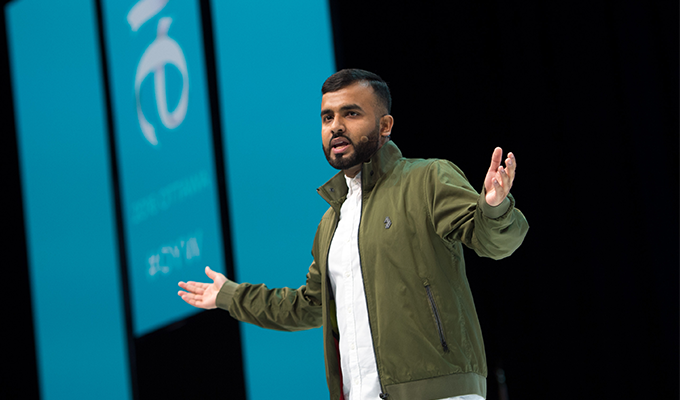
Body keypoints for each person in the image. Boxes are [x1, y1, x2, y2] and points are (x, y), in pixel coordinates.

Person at [178, 69, 529, 400]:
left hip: (439, 390)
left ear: (385, 125)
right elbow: (309, 306)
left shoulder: (427, 179)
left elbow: (493, 242)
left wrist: (495, 208)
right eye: (327, 117)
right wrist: (229, 295)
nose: (336, 127)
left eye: (351, 114)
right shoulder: (332, 222)